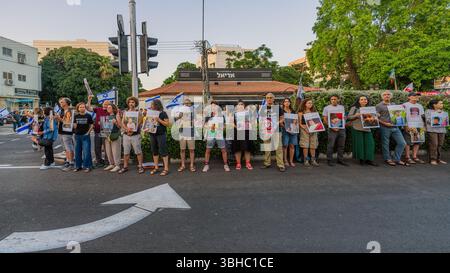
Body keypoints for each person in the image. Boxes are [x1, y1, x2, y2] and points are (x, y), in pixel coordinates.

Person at [376, 91, 409, 166]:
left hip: (395, 127)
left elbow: (400, 115)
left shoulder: (394, 105)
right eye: (384, 94)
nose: (386, 96)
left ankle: (396, 159)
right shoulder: (379, 106)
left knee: (402, 143)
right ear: (382, 97)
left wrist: (402, 109)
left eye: (388, 94)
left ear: (391, 96)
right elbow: (375, 118)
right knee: (385, 144)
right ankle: (387, 159)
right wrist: (385, 123)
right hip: (385, 127)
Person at [347, 96, 378, 166]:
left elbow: (377, 115)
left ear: (367, 101)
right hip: (357, 127)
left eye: (365, 99)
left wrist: (376, 115)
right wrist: (356, 115)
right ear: (359, 101)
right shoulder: (354, 108)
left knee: (370, 144)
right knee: (360, 144)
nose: (364, 100)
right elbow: (349, 117)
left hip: (368, 128)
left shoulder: (370, 108)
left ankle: (369, 159)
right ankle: (361, 159)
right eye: (362, 99)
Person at [260, 93, 286, 172]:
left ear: (274, 99)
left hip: (276, 130)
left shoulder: (278, 108)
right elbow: (261, 119)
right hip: (266, 131)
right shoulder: (262, 108)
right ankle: (267, 163)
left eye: (271, 97)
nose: (269, 99)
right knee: (267, 148)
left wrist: (277, 123)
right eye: (267, 98)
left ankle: (281, 165)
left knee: (278, 149)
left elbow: (282, 118)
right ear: (266, 99)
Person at [202, 100, 230, 173]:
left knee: (223, 150)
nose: (213, 107)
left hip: (219, 135)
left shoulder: (221, 116)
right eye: (212, 106)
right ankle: (206, 165)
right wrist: (209, 127)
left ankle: (225, 164)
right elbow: (204, 125)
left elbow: (224, 126)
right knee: (208, 150)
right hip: (211, 135)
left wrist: (219, 127)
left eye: (215, 106)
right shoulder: (208, 116)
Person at [119, 97, 145, 174]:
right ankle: (125, 167)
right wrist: (127, 129)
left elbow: (139, 123)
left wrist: (133, 130)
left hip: (135, 135)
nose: (131, 103)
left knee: (138, 151)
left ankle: (140, 166)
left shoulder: (138, 113)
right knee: (126, 152)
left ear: (135, 103)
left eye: (133, 102)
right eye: (130, 102)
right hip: (126, 135)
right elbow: (122, 122)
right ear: (128, 103)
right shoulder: (125, 112)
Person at [322, 95, 348, 167]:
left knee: (341, 145)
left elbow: (343, 117)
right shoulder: (326, 108)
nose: (333, 100)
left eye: (335, 99)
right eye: (332, 99)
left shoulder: (342, 107)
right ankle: (329, 160)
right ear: (330, 100)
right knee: (331, 145)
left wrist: (344, 120)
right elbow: (325, 119)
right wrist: (331, 127)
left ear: (338, 100)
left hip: (341, 129)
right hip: (331, 129)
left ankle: (340, 160)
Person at [148, 99, 170, 176]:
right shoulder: (150, 113)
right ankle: (156, 167)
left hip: (161, 134)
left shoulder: (163, 113)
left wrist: (159, 120)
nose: (151, 106)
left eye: (152, 104)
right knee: (154, 151)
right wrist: (146, 127)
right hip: (152, 134)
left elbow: (167, 124)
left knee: (163, 150)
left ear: (157, 105)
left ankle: (166, 168)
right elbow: (148, 123)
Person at [87, 95, 111, 168]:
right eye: (104, 104)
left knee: (107, 148)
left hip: (106, 132)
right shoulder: (98, 109)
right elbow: (88, 108)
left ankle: (107, 162)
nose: (106, 105)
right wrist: (89, 100)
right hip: (97, 131)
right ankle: (99, 161)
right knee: (97, 147)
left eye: (107, 104)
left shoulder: (110, 111)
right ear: (102, 104)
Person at [402, 93, 426, 164]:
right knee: (408, 142)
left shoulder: (420, 105)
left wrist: (424, 126)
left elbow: (422, 116)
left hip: (419, 125)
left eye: (417, 96)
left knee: (417, 142)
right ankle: (407, 157)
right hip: (409, 125)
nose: (416, 97)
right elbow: (402, 116)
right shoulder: (404, 105)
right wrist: (405, 126)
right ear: (409, 97)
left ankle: (415, 156)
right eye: (414, 96)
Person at [174, 98, 196, 172]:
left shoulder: (193, 112)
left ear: (190, 104)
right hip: (182, 131)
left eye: (188, 103)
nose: (186, 105)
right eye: (185, 103)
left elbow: (198, 121)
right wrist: (179, 116)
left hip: (190, 131)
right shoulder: (180, 111)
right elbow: (175, 120)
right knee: (182, 149)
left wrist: (193, 121)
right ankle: (183, 165)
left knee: (191, 150)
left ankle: (192, 165)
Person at [231, 100, 254, 170]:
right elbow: (231, 123)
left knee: (247, 148)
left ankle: (248, 163)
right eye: (239, 104)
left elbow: (252, 121)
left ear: (244, 106)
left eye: (242, 104)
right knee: (237, 148)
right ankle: (238, 163)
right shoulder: (234, 114)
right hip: (237, 132)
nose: (240, 105)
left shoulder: (248, 113)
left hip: (247, 132)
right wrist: (237, 127)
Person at [55, 98, 76, 171]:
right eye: (60, 102)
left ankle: (71, 163)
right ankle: (68, 161)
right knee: (66, 148)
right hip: (62, 131)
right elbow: (61, 121)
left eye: (62, 102)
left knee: (68, 147)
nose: (60, 103)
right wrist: (57, 118)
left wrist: (59, 118)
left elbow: (67, 122)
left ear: (66, 103)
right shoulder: (62, 110)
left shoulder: (69, 111)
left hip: (67, 131)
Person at [298, 99, 320, 167]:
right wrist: (305, 128)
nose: (310, 104)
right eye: (309, 103)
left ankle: (313, 160)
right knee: (305, 145)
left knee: (313, 145)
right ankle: (306, 160)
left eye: (311, 103)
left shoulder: (314, 112)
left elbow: (317, 122)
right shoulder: (301, 112)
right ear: (305, 104)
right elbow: (299, 123)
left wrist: (316, 128)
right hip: (304, 130)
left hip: (313, 130)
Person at [73, 102, 94, 173]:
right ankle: (78, 166)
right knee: (77, 152)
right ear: (78, 108)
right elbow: (74, 126)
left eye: (83, 107)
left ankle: (88, 166)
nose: (82, 108)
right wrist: (73, 126)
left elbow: (91, 125)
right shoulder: (76, 116)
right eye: (80, 107)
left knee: (86, 151)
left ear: (85, 108)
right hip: (77, 136)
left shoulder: (88, 115)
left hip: (85, 136)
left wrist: (88, 133)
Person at [425, 100, 447, 165]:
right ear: (434, 104)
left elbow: (445, 121)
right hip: (432, 130)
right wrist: (437, 114)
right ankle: (432, 159)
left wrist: (445, 121)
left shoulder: (443, 112)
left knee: (440, 145)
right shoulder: (428, 111)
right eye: (440, 103)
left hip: (442, 130)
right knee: (434, 144)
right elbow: (428, 120)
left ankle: (438, 159)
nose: (442, 104)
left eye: (442, 103)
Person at [103, 104, 122, 173]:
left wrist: (116, 122)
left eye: (109, 107)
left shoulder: (117, 115)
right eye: (107, 107)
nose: (108, 108)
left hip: (115, 135)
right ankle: (111, 164)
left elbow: (120, 126)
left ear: (113, 108)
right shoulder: (106, 116)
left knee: (115, 151)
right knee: (108, 151)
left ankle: (117, 165)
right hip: (107, 136)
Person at [280, 98, 298, 167]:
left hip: (293, 130)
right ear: (283, 103)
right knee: (285, 146)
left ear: (290, 103)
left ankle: (291, 161)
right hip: (285, 130)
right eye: (285, 101)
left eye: (288, 101)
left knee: (292, 145)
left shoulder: (293, 111)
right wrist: (286, 128)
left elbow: (296, 120)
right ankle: (285, 161)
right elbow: (280, 122)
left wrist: (295, 123)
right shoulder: (281, 111)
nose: (287, 103)